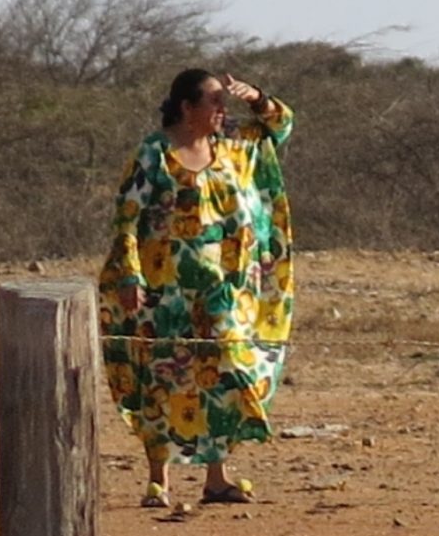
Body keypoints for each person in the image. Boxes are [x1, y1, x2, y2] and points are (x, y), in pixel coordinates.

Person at [99, 67, 296, 508]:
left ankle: (217, 476)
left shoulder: (233, 146)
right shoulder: (155, 153)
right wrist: (128, 274)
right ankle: (158, 479)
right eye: (213, 101)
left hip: (223, 291)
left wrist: (257, 97)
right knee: (161, 379)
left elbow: (280, 125)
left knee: (224, 372)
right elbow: (127, 218)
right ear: (187, 107)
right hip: (163, 290)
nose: (222, 110)